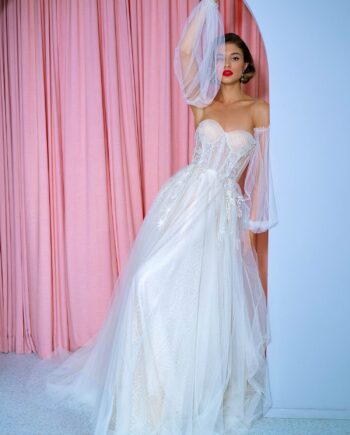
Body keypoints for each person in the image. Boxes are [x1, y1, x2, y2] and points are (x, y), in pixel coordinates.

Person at [38, 0, 279, 434]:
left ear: (247, 67)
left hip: (223, 214)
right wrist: (208, 6)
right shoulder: (202, 106)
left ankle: (191, 388)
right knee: (150, 284)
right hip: (183, 204)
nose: (225, 63)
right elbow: (187, 53)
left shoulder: (258, 110)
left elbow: (263, 178)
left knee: (206, 305)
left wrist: (251, 229)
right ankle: (149, 389)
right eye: (220, 56)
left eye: (235, 56)